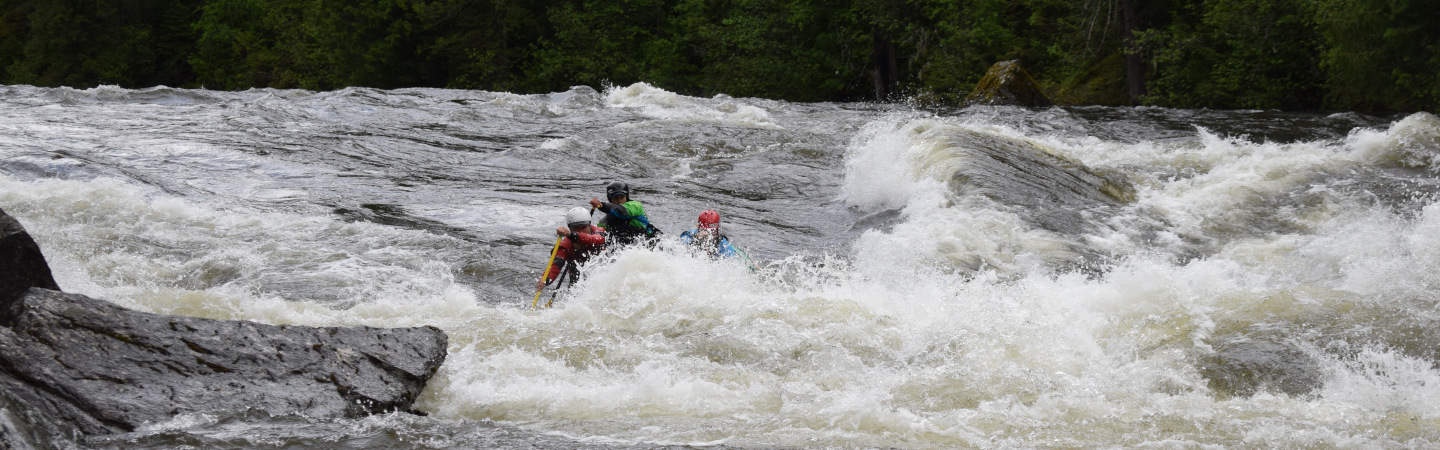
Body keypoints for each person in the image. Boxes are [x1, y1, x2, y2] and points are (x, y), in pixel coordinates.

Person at [536, 206, 606, 293]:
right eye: (576, 227)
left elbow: (598, 239)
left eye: (583, 226)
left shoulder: (598, 232)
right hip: (578, 280)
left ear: (589, 225)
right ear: (570, 228)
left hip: (604, 274)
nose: (580, 231)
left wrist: (572, 235)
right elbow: (555, 266)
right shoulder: (565, 246)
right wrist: (545, 280)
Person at [589, 181, 661, 247]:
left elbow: (622, 212)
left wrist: (601, 205)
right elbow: (599, 237)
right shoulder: (605, 221)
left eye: (622, 197)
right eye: (616, 198)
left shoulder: (635, 206)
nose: (619, 201)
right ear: (611, 200)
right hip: (629, 249)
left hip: (651, 243)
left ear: (626, 197)